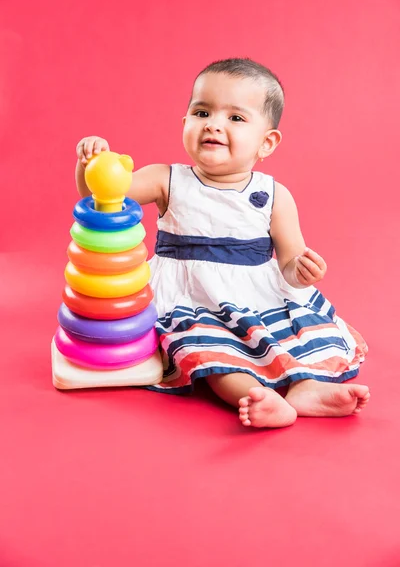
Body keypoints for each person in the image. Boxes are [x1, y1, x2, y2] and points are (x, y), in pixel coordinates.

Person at [75, 58, 369, 428]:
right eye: (202, 112)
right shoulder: (167, 179)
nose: (213, 123)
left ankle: (306, 388)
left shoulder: (275, 195)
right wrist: (92, 164)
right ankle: (249, 394)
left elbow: (290, 260)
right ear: (185, 125)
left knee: (289, 339)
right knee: (209, 350)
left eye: (235, 118)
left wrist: (301, 271)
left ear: (267, 142)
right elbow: (105, 199)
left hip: (259, 297)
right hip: (190, 298)